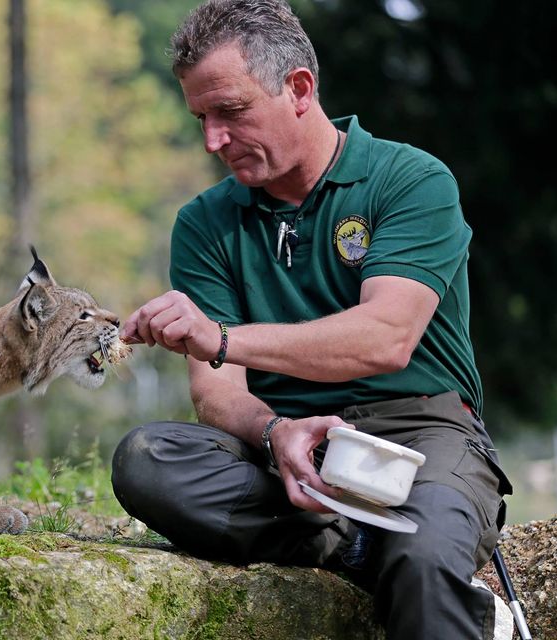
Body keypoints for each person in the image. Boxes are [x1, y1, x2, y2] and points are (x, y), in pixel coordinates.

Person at [111, 1, 513, 638]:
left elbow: (385, 339)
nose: (214, 139)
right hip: (289, 452)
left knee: (425, 556)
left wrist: (221, 338)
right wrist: (275, 432)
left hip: (420, 434)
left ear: (299, 88)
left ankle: (401, 549)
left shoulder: (410, 179)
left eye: (231, 112)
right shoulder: (204, 222)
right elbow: (216, 393)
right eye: (201, 119)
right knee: (148, 458)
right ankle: (355, 544)